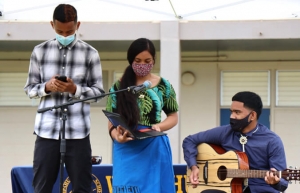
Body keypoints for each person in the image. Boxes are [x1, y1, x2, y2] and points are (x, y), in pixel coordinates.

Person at [24, 4, 104, 193]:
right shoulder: (39, 51)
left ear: (78, 25)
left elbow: (99, 93)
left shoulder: (91, 53)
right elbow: (29, 89)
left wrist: (75, 89)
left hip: (78, 132)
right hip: (46, 131)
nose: (65, 35)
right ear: (52, 25)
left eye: (69, 31)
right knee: (41, 186)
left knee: (82, 187)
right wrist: (46, 87)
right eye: (60, 31)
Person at [105, 37, 179, 193]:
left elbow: (173, 117)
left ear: (154, 60)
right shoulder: (119, 86)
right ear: (131, 60)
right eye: (138, 60)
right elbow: (111, 122)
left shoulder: (164, 85)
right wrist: (117, 137)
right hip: (126, 144)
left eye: (147, 61)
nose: (143, 65)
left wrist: (159, 126)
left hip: (154, 144)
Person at [182, 91, 288, 193]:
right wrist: (194, 166)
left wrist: (275, 182)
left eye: (237, 112)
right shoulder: (224, 132)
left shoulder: (272, 141)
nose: (232, 116)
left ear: (252, 116)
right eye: (231, 112)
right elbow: (190, 140)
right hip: (226, 189)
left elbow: (283, 183)